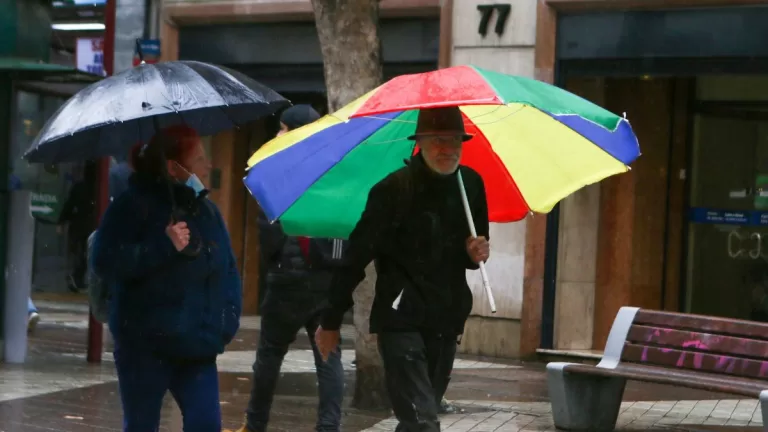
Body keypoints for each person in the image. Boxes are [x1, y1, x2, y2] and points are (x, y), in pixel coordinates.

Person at [315, 106, 490, 432]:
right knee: (424, 421)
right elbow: (356, 257)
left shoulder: (471, 186)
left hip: (446, 320)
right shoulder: (392, 190)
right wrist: (331, 319)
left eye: (456, 141)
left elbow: (473, 253)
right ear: (420, 141)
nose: (449, 150)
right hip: (401, 319)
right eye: (440, 140)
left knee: (417, 420)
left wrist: (476, 252)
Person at [92, 125, 242, 432]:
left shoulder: (207, 211)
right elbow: (105, 261)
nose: (208, 165)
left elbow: (227, 270)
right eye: (199, 159)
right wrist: (163, 246)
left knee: (206, 425)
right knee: (142, 425)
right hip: (145, 348)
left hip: (198, 347)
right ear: (175, 167)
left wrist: (226, 323)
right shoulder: (132, 206)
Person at [228, 105, 345, 432]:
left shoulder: (282, 167)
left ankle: (255, 425)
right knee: (328, 356)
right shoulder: (331, 169)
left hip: (286, 281)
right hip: (325, 279)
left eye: (282, 128)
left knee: (269, 356)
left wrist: (277, 257)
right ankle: (328, 427)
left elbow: (268, 223)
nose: (277, 134)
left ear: (295, 130)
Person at [59, 163, 97, 292]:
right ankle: (77, 277)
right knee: (85, 253)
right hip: (89, 225)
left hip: (78, 224)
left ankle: (75, 276)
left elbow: (69, 205)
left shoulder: (79, 187)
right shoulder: (98, 188)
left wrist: (62, 221)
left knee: (78, 253)